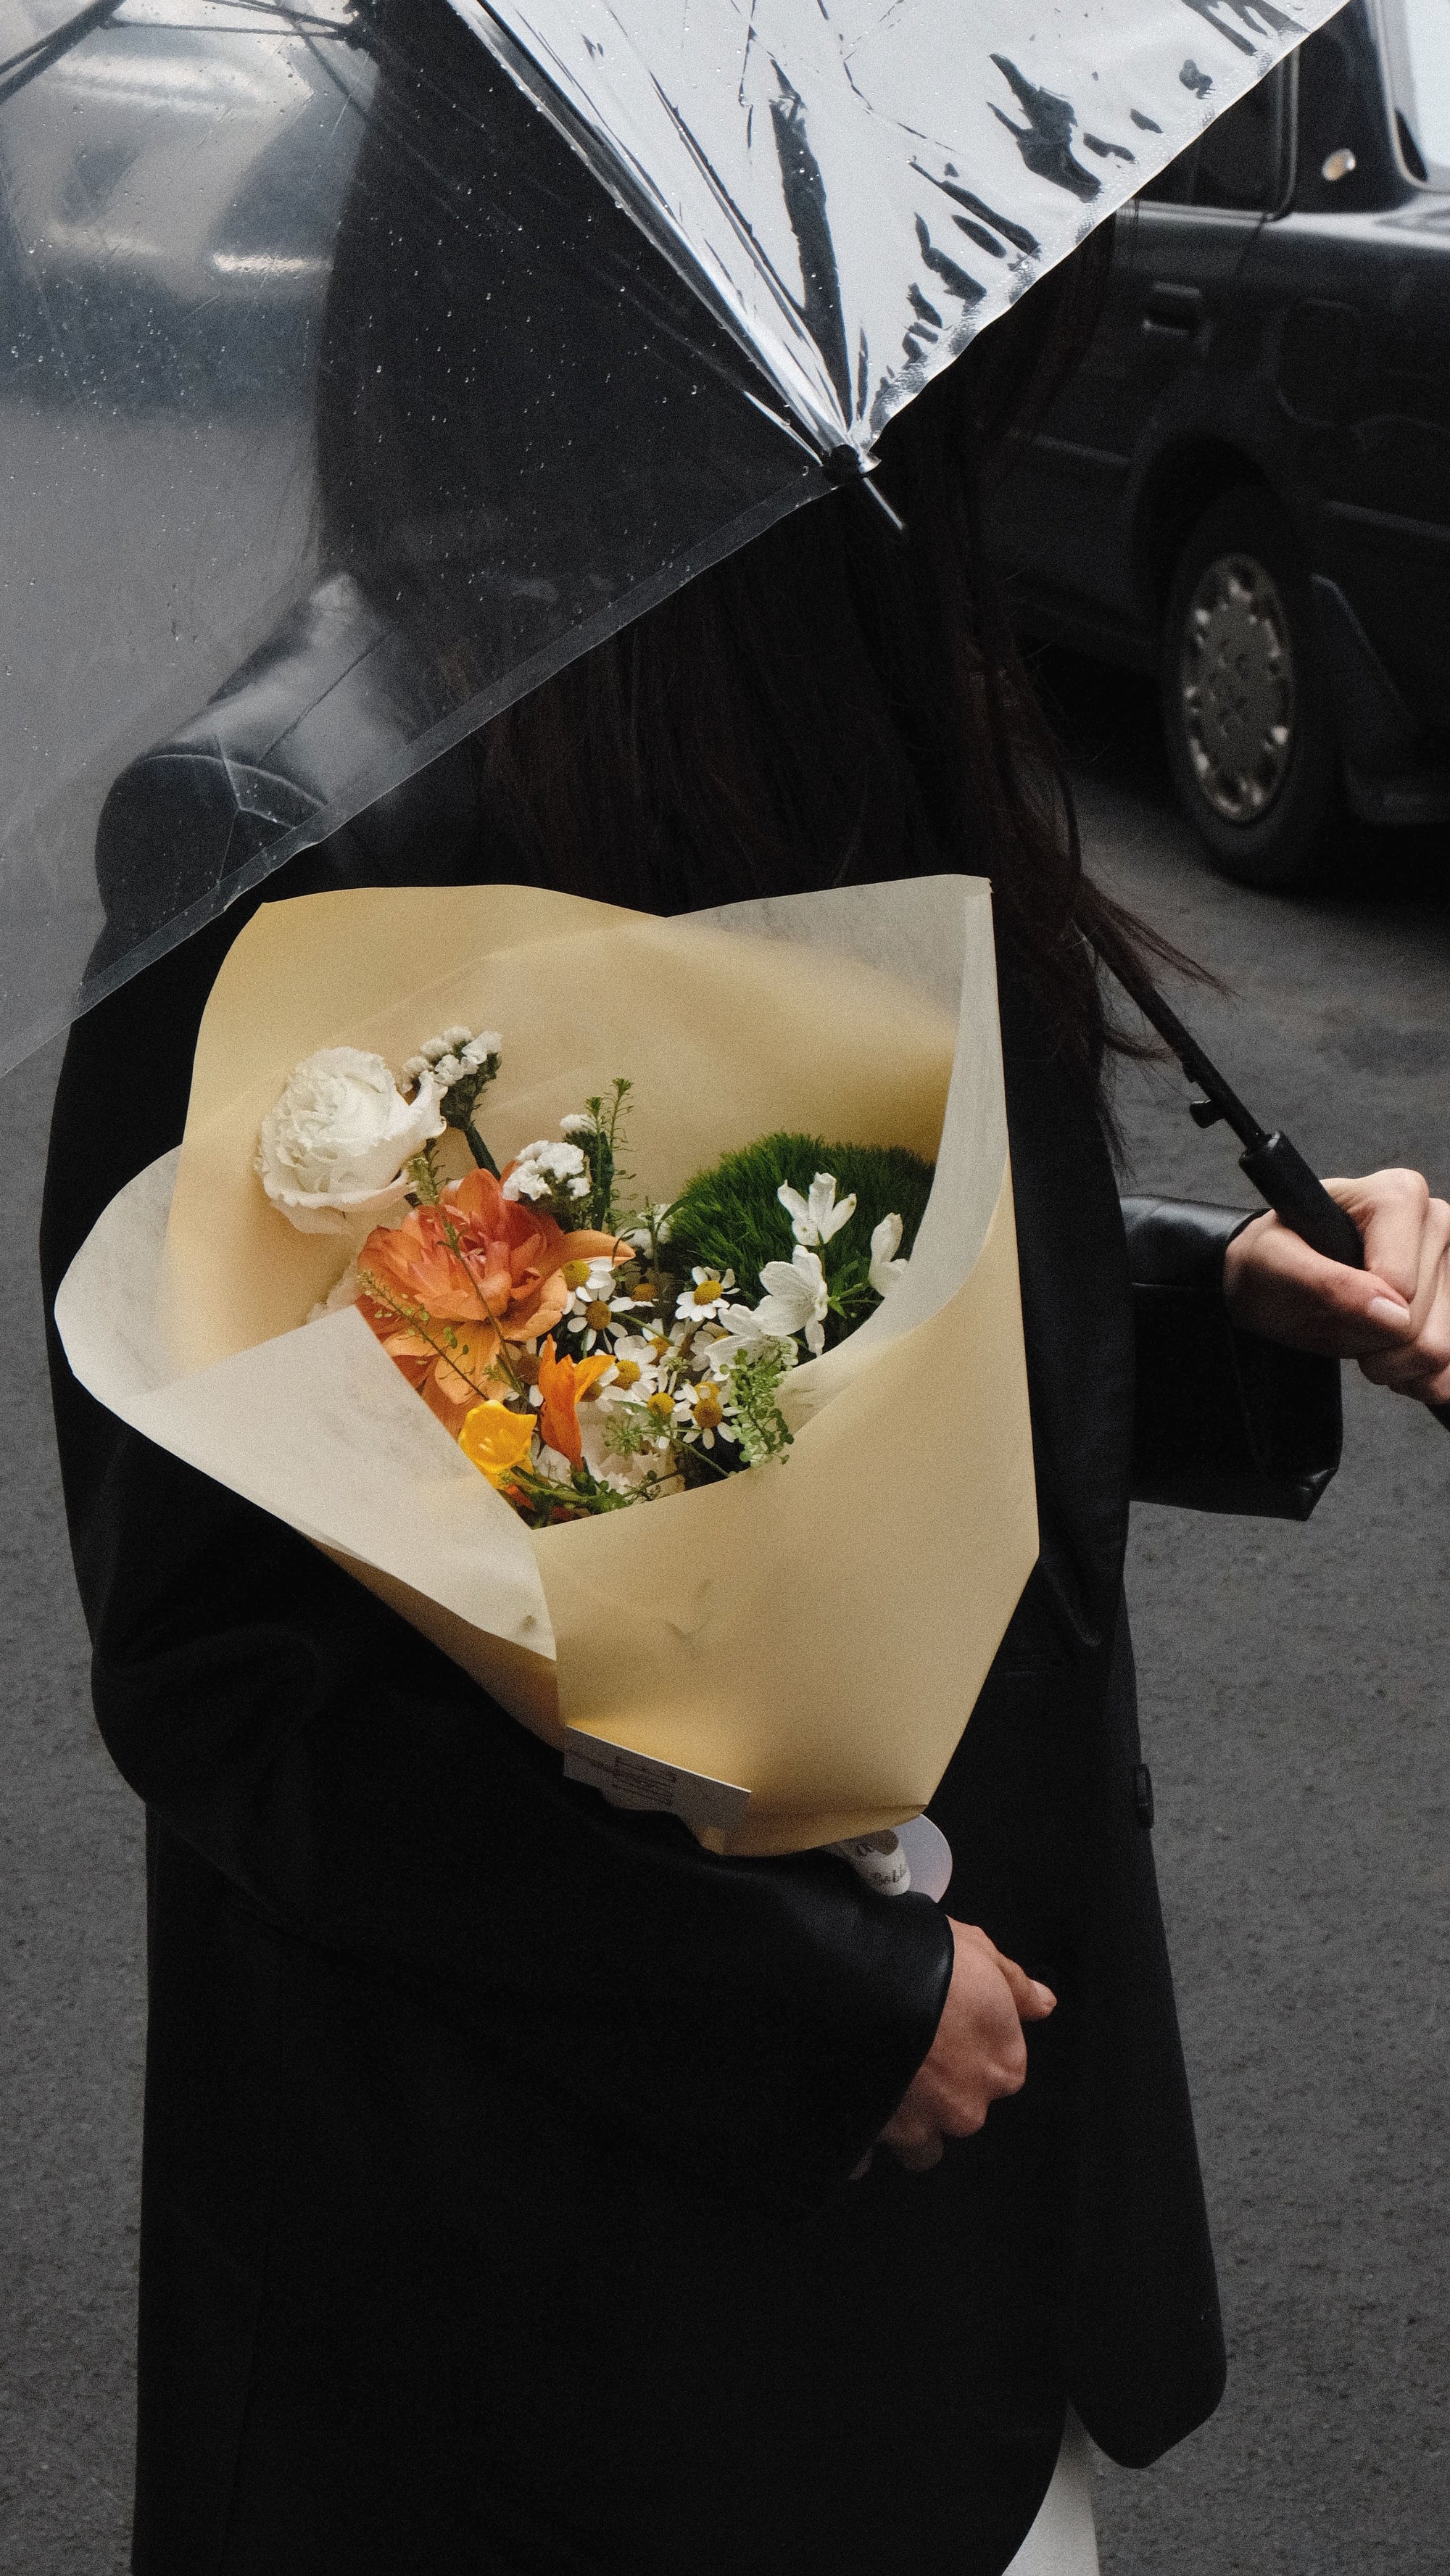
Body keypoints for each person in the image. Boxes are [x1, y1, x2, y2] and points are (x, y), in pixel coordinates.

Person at [39, 7, 1450, 2569]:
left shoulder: (850, 638)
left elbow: (714, 1334)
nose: (1038, 288)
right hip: (567, 2330)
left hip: (968, 2229)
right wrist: (809, 2009)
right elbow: (233, 1673)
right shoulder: (315, 824)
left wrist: (1215, 1286)